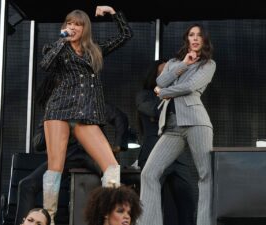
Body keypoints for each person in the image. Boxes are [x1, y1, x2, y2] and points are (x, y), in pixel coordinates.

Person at [39, 5, 132, 224]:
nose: (72, 27)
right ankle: (48, 218)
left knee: (111, 167)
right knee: (55, 167)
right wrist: (62, 40)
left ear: (85, 29)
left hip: (86, 114)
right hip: (59, 110)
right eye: (69, 23)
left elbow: (125, 35)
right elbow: (44, 65)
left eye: (77, 24)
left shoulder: (95, 50)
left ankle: (111, 218)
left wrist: (113, 14)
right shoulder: (58, 48)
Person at [138, 23, 216, 225]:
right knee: (149, 173)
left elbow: (190, 87)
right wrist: (184, 64)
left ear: (205, 40)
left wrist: (161, 93)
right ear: (187, 39)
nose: (195, 38)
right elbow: (161, 80)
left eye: (200, 35)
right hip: (172, 126)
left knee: (206, 175)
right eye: (192, 35)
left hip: (196, 122)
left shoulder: (208, 64)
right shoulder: (174, 62)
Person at [14, 103, 130, 225]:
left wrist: (116, 147)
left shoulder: (92, 104)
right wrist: (56, 124)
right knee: (26, 184)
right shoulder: (54, 109)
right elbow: (37, 143)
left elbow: (120, 117)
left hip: (92, 152)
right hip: (67, 155)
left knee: (115, 180)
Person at [136, 59, 196, 225]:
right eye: (164, 72)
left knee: (188, 199)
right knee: (150, 202)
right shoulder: (144, 95)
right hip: (153, 153)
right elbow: (153, 110)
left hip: (178, 156)